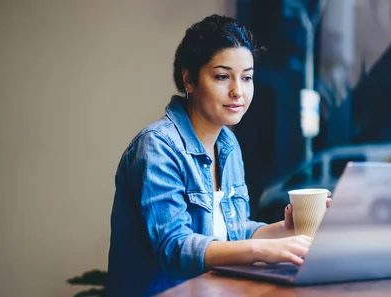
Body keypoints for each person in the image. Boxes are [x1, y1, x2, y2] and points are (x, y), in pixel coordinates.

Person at [107, 14, 330, 297]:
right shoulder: (157, 146)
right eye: (222, 76)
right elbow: (175, 249)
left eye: (246, 77)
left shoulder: (228, 144)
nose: (238, 91)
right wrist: (262, 250)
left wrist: (285, 230)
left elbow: (233, 233)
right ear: (189, 79)